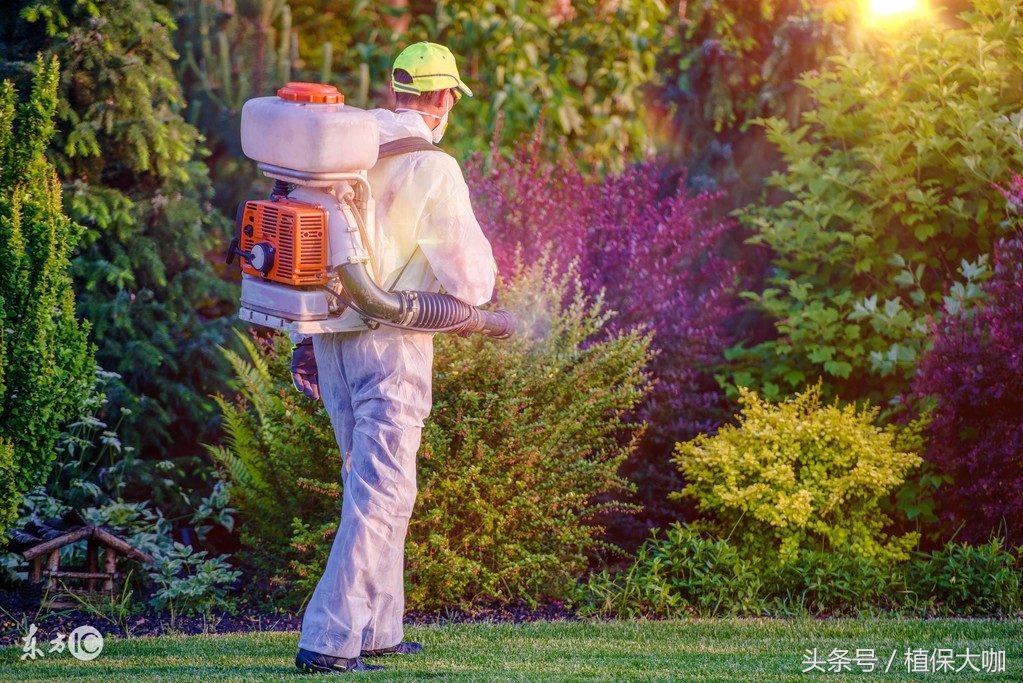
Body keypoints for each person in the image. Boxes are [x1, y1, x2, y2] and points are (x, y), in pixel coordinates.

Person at [292, 42, 496, 674]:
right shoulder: (433, 167)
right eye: (450, 101)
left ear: (395, 92)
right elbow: (470, 281)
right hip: (391, 342)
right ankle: (328, 640)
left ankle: (380, 629)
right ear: (442, 100)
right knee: (384, 493)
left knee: (370, 484)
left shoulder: (342, 153)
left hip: (329, 337)